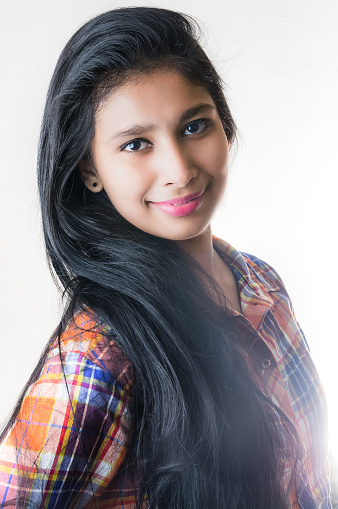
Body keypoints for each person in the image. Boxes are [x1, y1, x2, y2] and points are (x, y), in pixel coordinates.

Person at [0, 7, 336, 509]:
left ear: (225, 125)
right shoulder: (97, 360)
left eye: (195, 126)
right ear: (90, 169)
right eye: (136, 144)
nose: (178, 169)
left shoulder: (262, 284)